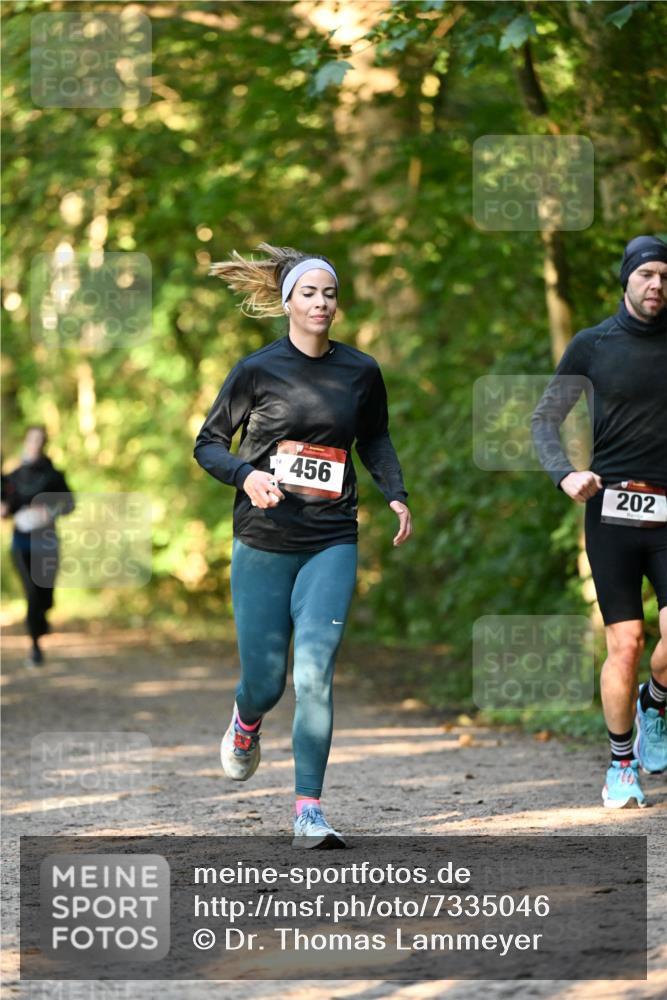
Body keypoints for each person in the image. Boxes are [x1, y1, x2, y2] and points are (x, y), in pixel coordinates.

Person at [194, 242, 412, 846]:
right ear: (288, 301)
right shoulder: (257, 370)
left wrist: (394, 492)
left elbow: (376, 439)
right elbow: (208, 443)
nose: (321, 303)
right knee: (267, 682)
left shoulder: (361, 372)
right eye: (309, 293)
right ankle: (246, 721)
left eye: (330, 293)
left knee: (315, 670)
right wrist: (248, 474)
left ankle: (308, 811)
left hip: (331, 538)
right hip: (263, 539)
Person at [532, 234, 667, 808]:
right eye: (646, 276)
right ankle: (620, 766)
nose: (657, 285)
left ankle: (655, 703)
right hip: (610, 511)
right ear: (626, 281)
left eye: (665, 276)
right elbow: (544, 420)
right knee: (627, 642)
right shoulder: (592, 345)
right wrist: (566, 473)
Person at [1, 425, 75, 666]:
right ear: (25, 442)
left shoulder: (53, 475)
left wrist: (49, 509)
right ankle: (35, 647)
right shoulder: (13, 477)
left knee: (44, 594)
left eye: (39, 440)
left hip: (47, 541)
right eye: (31, 439)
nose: (35, 444)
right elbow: (6, 507)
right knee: (32, 592)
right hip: (22, 542)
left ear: (44, 444)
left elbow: (69, 504)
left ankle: (42, 615)